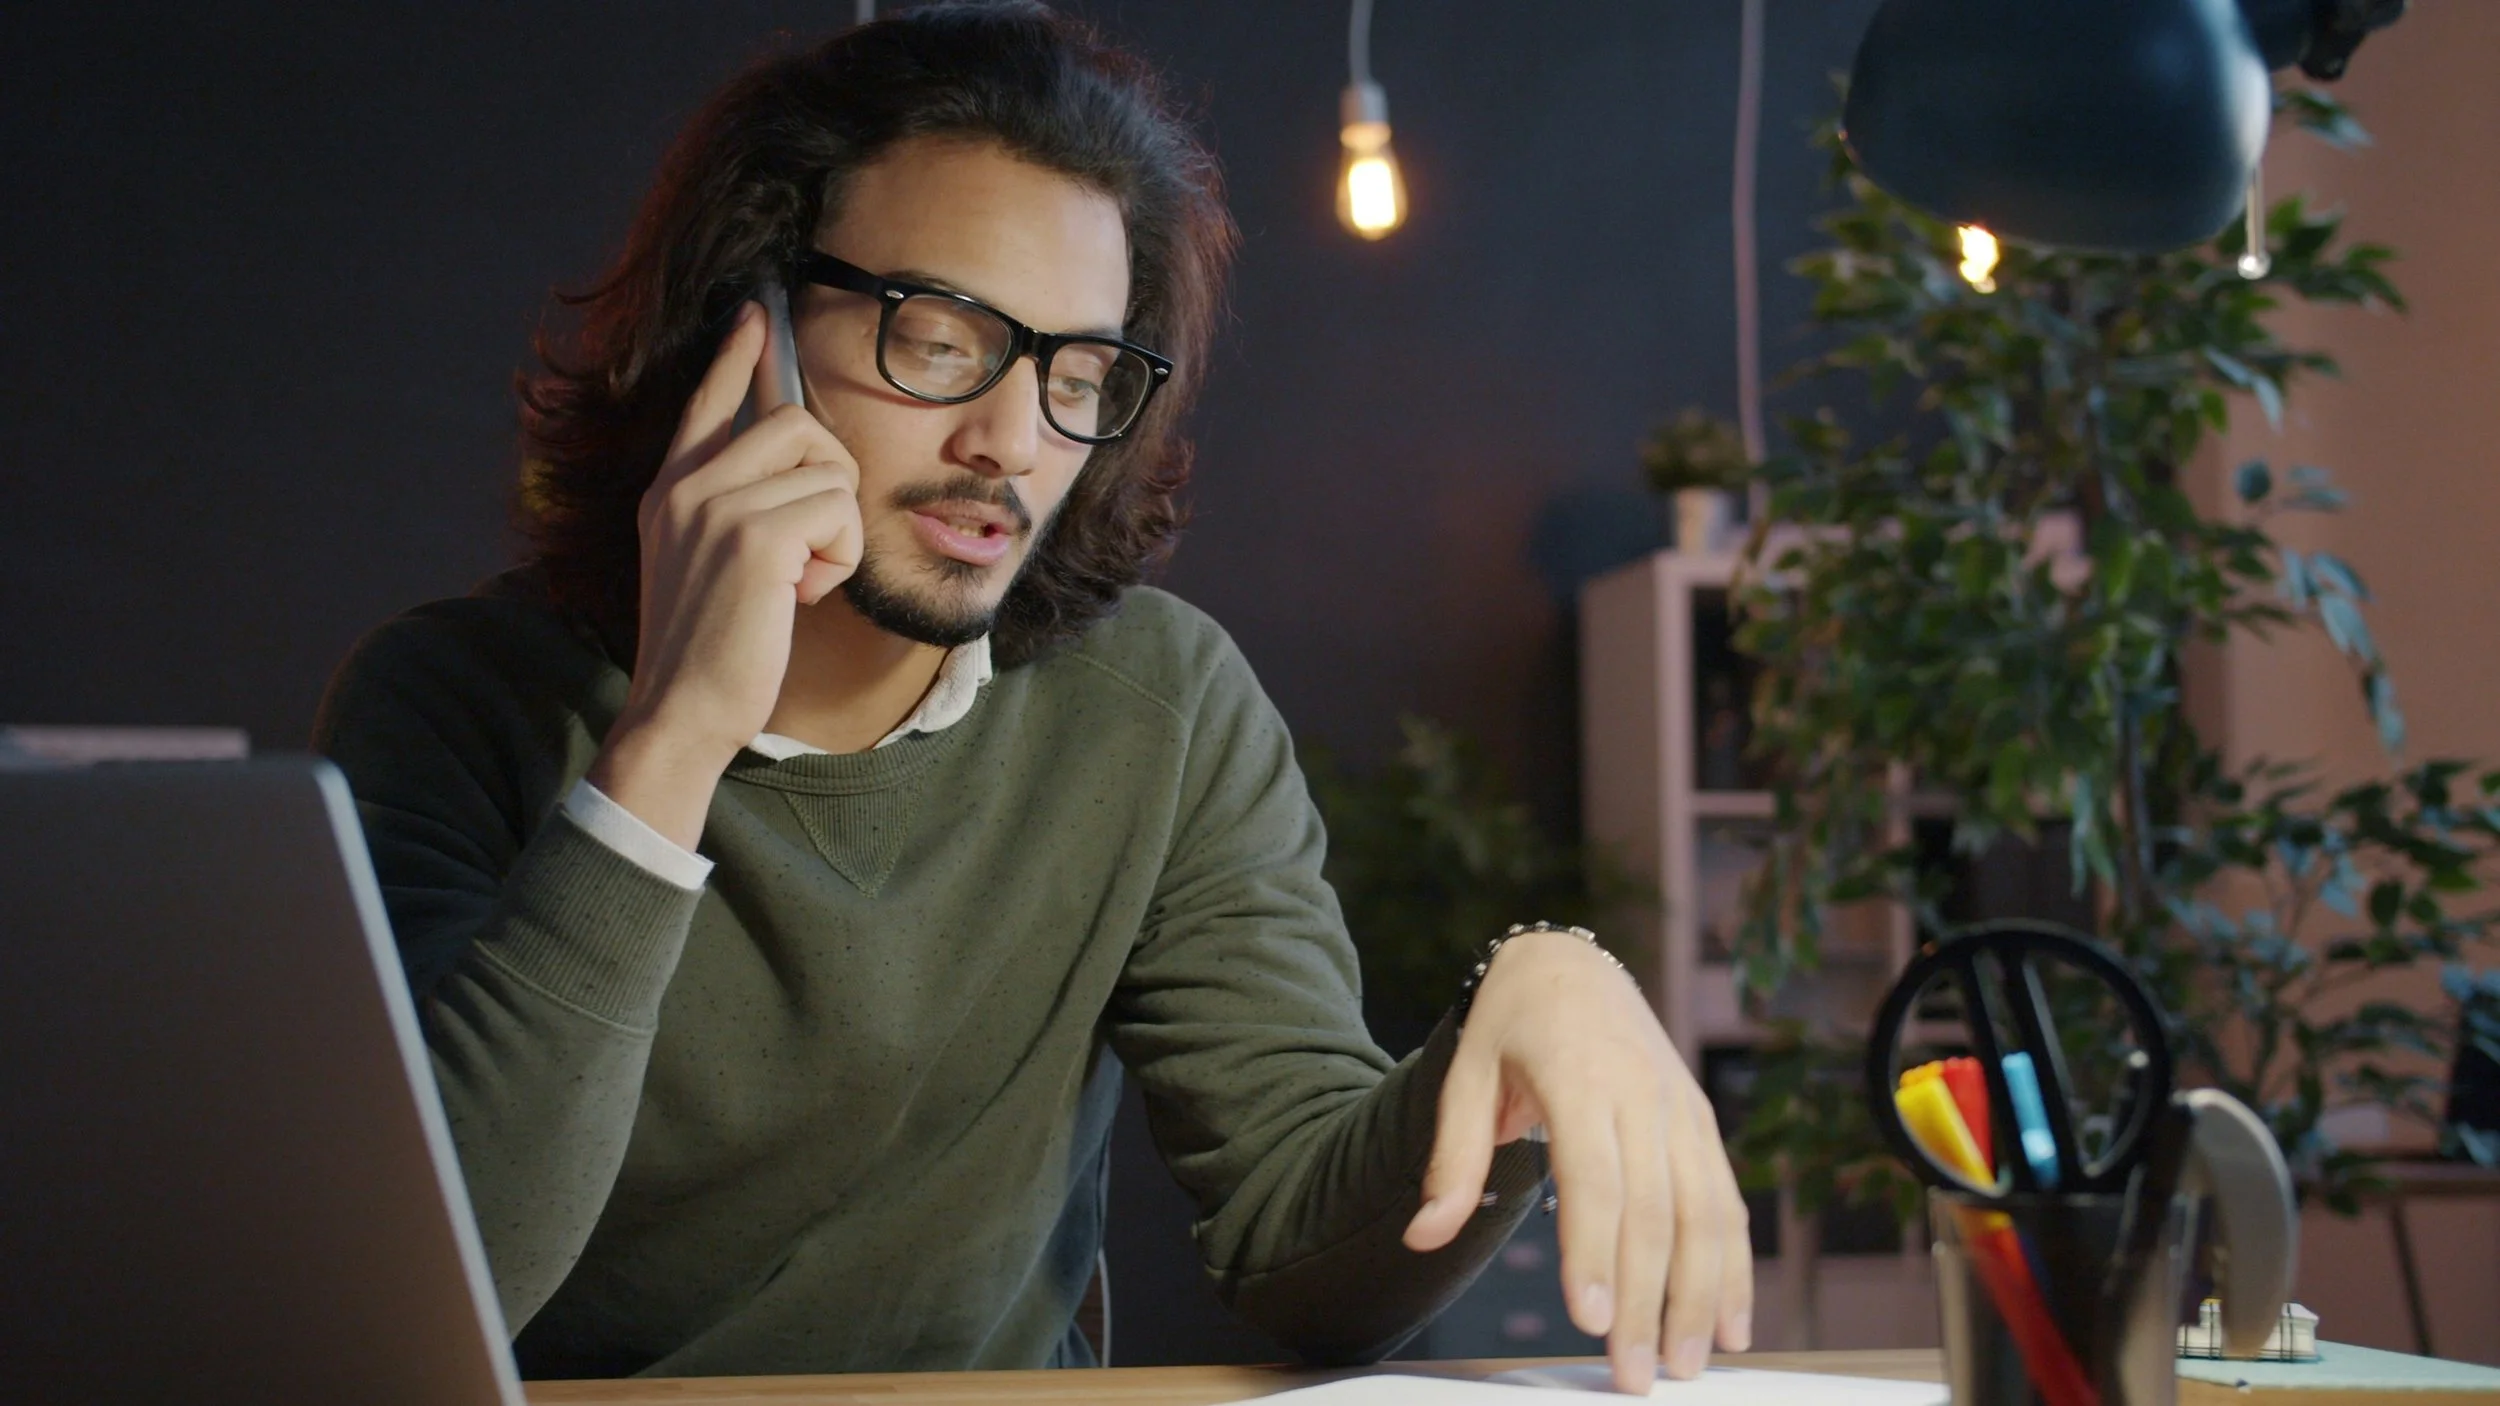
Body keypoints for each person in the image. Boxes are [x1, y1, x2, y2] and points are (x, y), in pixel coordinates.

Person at [314, 3, 1749, 1393]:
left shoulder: (1158, 707)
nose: (1012, 441)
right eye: (939, 338)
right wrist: (674, 736)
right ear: (740, 327)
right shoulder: (456, 703)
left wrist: (1534, 998)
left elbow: (1302, 1250)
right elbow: (432, 1285)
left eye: (1079, 372)